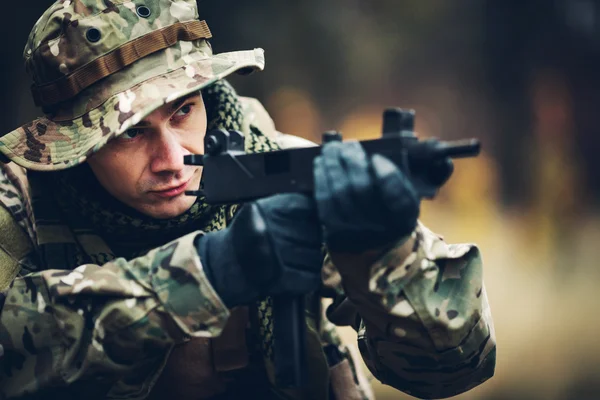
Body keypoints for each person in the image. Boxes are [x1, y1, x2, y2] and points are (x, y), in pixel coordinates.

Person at [0, 1, 496, 399]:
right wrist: (210, 271)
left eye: (182, 112)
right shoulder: (22, 203)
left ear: (208, 97)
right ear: (75, 146)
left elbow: (454, 368)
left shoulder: (282, 167)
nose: (172, 159)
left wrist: (387, 255)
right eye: (129, 134)